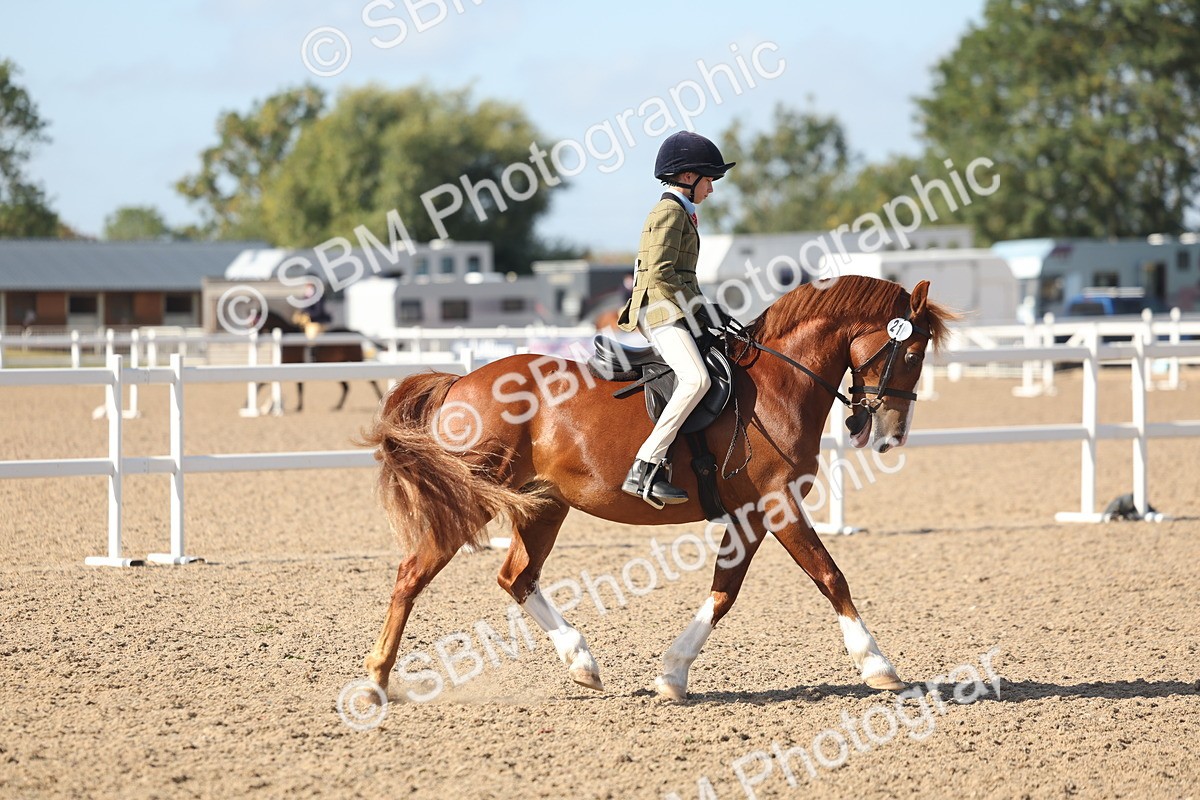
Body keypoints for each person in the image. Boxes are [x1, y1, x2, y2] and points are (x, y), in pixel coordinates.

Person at [615, 130, 735, 507]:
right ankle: (645, 467)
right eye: (709, 179)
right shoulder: (669, 211)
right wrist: (700, 309)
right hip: (659, 310)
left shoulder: (683, 210)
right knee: (696, 378)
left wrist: (706, 307)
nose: (712, 188)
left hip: (672, 306)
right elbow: (663, 273)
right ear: (687, 177)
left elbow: (682, 275)